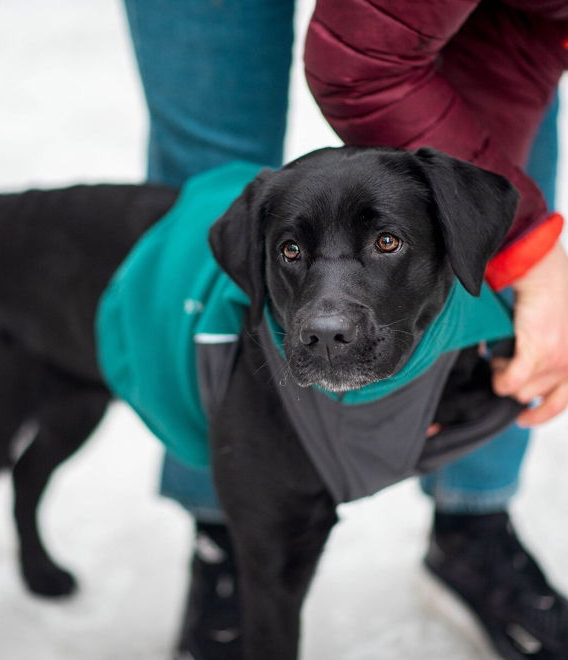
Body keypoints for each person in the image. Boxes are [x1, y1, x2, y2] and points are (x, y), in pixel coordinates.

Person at [122, 1, 568, 658]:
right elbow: (364, 51)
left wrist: (518, 246)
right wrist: (533, 248)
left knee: (491, 180)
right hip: (376, 34)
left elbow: (517, 58)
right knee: (211, 171)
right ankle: (231, 535)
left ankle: (474, 521)